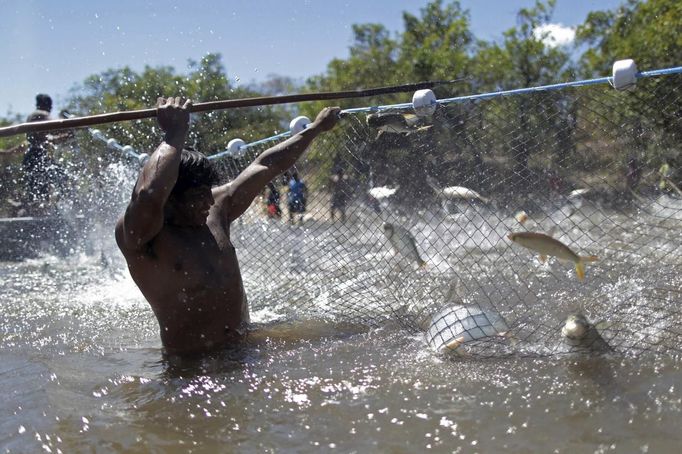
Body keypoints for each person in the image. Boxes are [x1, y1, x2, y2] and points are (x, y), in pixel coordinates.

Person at [115, 97, 340, 356]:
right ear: (171, 197)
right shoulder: (142, 235)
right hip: (190, 368)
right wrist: (176, 130)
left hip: (244, 351)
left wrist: (315, 129)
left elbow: (265, 165)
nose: (209, 201)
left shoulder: (216, 211)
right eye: (199, 195)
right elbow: (149, 194)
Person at [22, 94, 69, 209]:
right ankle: (47, 209)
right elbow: (56, 124)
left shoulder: (33, 117)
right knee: (58, 179)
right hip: (36, 156)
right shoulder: (40, 114)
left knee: (40, 188)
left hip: (34, 156)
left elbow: (46, 139)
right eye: (50, 105)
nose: (51, 108)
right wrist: (67, 120)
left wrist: (63, 137)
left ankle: (45, 209)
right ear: (45, 104)